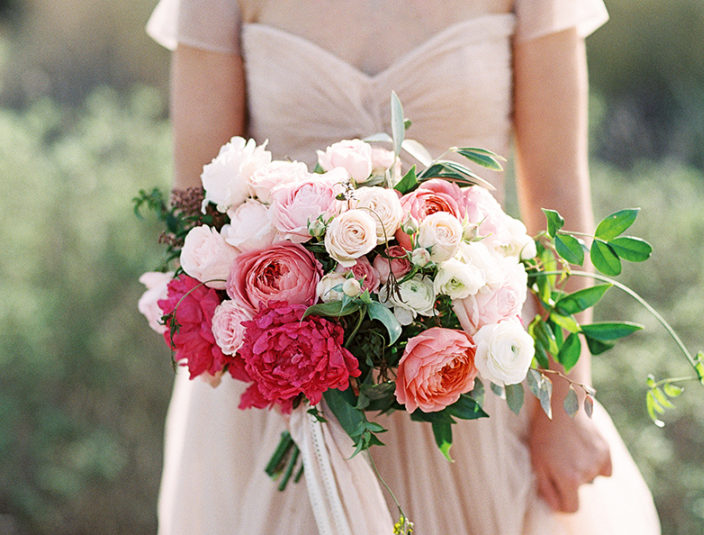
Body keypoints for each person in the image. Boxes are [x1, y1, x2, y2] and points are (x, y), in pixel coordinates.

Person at [146, 1, 661, 533]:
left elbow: (557, 196)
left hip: (472, 380)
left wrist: (564, 404)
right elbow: (198, 207)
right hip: (286, 393)